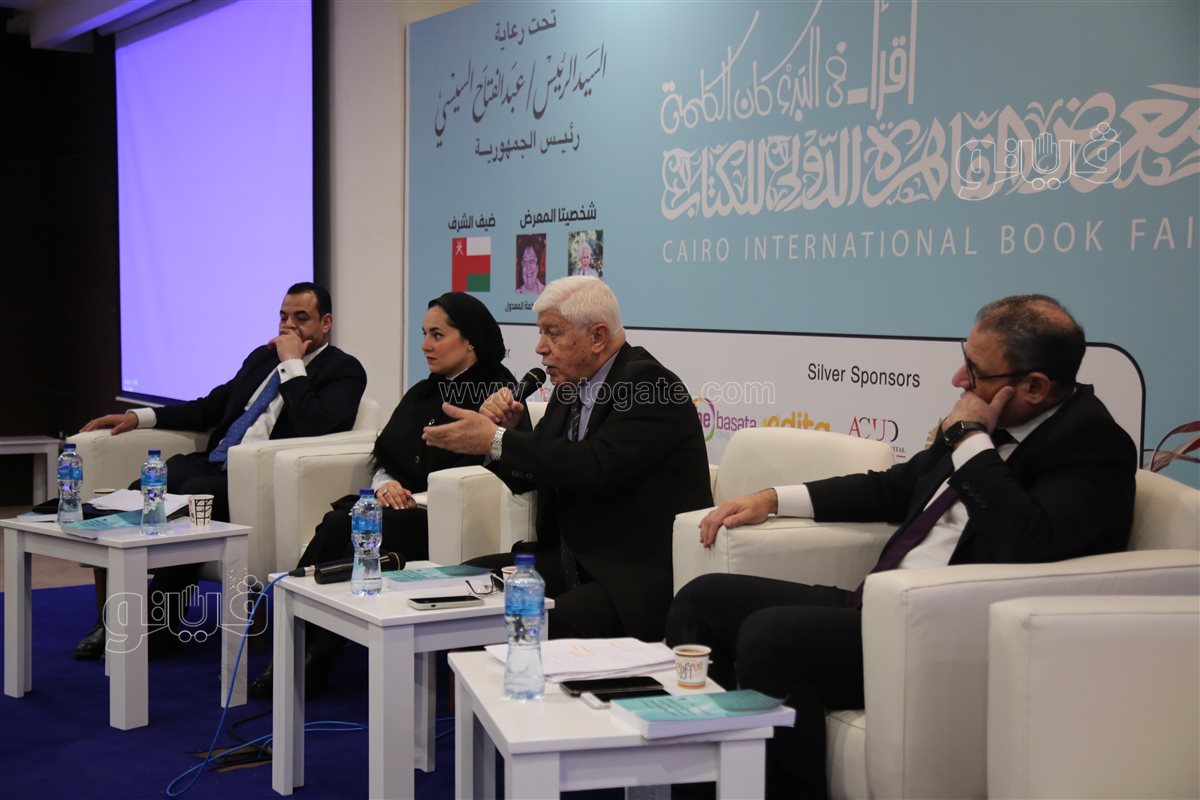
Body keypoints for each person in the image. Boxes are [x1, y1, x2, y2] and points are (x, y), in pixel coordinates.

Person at [665, 294, 1137, 799]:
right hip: (880, 605)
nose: (958, 380)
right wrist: (774, 498)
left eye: (976, 372)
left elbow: (1029, 542)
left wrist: (971, 441)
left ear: (1035, 387)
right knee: (702, 599)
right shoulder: (984, 424)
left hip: (941, 634)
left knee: (771, 636)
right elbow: (893, 487)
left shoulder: (1091, 444)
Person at [74, 282, 367, 660]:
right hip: (217, 463)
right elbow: (212, 406)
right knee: (160, 478)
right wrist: (140, 417)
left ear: (326, 323)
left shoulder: (344, 370)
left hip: (261, 483)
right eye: (283, 317)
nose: (288, 326)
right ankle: (114, 615)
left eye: (301, 318)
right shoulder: (261, 359)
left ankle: (152, 627)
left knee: (194, 495)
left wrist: (293, 364)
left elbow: (315, 423)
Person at [248, 292, 514, 698]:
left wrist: (416, 497)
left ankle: (312, 655)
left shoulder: (499, 395)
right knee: (342, 524)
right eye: (424, 334)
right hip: (395, 506)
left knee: (354, 527)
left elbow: (490, 472)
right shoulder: (423, 391)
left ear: (470, 341)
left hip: (445, 519)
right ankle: (296, 647)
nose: (425, 345)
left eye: (437, 335)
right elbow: (387, 454)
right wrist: (385, 483)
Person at [423, 276, 712, 641]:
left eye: (553, 333)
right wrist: (506, 435)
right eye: (540, 332)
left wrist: (497, 440)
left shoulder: (650, 385)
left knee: (527, 624)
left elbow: (594, 467)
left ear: (597, 337)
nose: (540, 347)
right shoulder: (570, 386)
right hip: (570, 561)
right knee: (462, 585)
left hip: (627, 576)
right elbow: (533, 477)